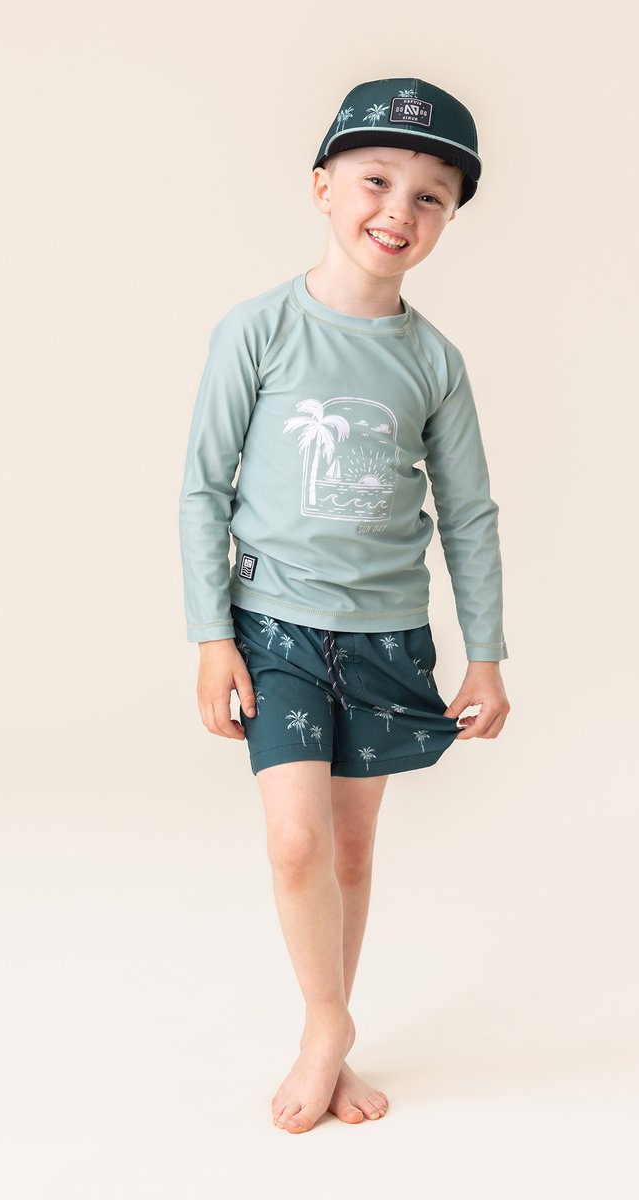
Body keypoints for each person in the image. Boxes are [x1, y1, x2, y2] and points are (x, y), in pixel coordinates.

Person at [178, 77, 511, 1133]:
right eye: (376, 181)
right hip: (274, 630)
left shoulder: (434, 362)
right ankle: (329, 1024)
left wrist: (487, 652)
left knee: (353, 851)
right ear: (323, 185)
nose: (398, 210)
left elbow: (468, 512)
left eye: (430, 197)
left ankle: (330, 1036)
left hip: (384, 640)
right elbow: (205, 489)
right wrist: (212, 636)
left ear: (447, 219)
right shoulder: (259, 329)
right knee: (296, 843)